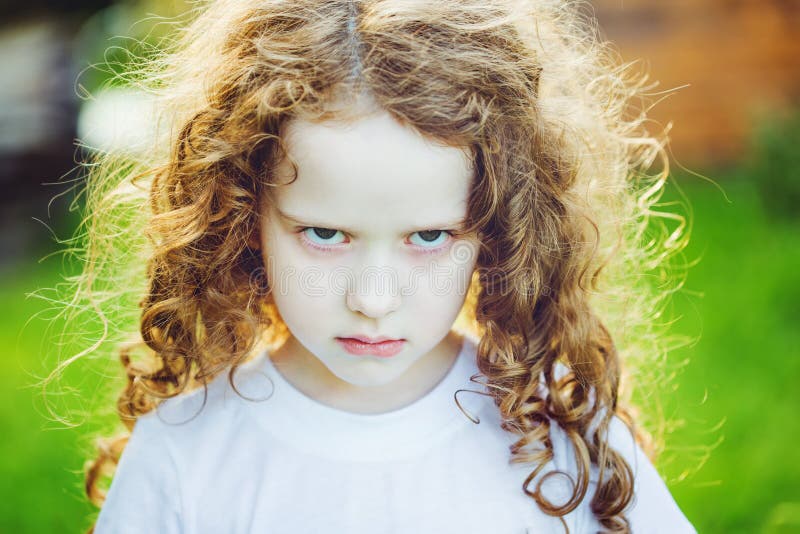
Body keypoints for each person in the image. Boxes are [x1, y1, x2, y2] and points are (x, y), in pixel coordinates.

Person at [48, 0, 698, 532]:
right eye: (326, 233)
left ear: (500, 231)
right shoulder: (185, 458)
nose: (375, 298)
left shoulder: (557, 430)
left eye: (429, 236)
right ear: (242, 216)